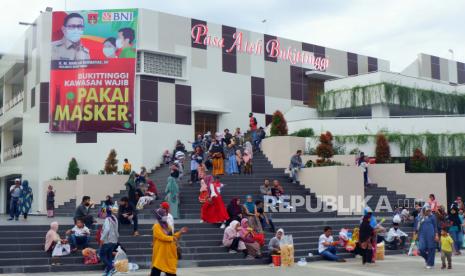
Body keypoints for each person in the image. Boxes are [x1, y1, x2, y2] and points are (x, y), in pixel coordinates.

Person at [151, 208, 188, 276]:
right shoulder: (156, 226)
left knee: (169, 270)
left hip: (168, 252)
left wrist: (180, 232)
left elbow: (172, 236)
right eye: (164, 214)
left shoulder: (167, 226)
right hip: (160, 252)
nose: (166, 215)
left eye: (166, 214)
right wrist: (172, 238)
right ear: (160, 215)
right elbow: (162, 237)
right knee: (156, 269)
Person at [416, 205, 438, 269]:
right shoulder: (419, 217)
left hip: (431, 235)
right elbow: (417, 227)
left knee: (431, 249)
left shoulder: (432, 217)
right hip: (422, 235)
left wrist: (436, 235)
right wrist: (417, 234)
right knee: (421, 249)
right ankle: (428, 259)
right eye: (427, 211)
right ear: (423, 211)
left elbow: (435, 226)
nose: (428, 212)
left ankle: (430, 263)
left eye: (429, 210)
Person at [100, 205, 119, 276]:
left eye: (102, 212)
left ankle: (111, 267)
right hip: (114, 240)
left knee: (101, 255)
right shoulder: (114, 218)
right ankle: (108, 272)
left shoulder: (107, 219)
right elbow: (117, 230)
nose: (101, 214)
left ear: (106, 212)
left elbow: (107, 229)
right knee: (109, 256)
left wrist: (102, 239)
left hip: (107, 240)